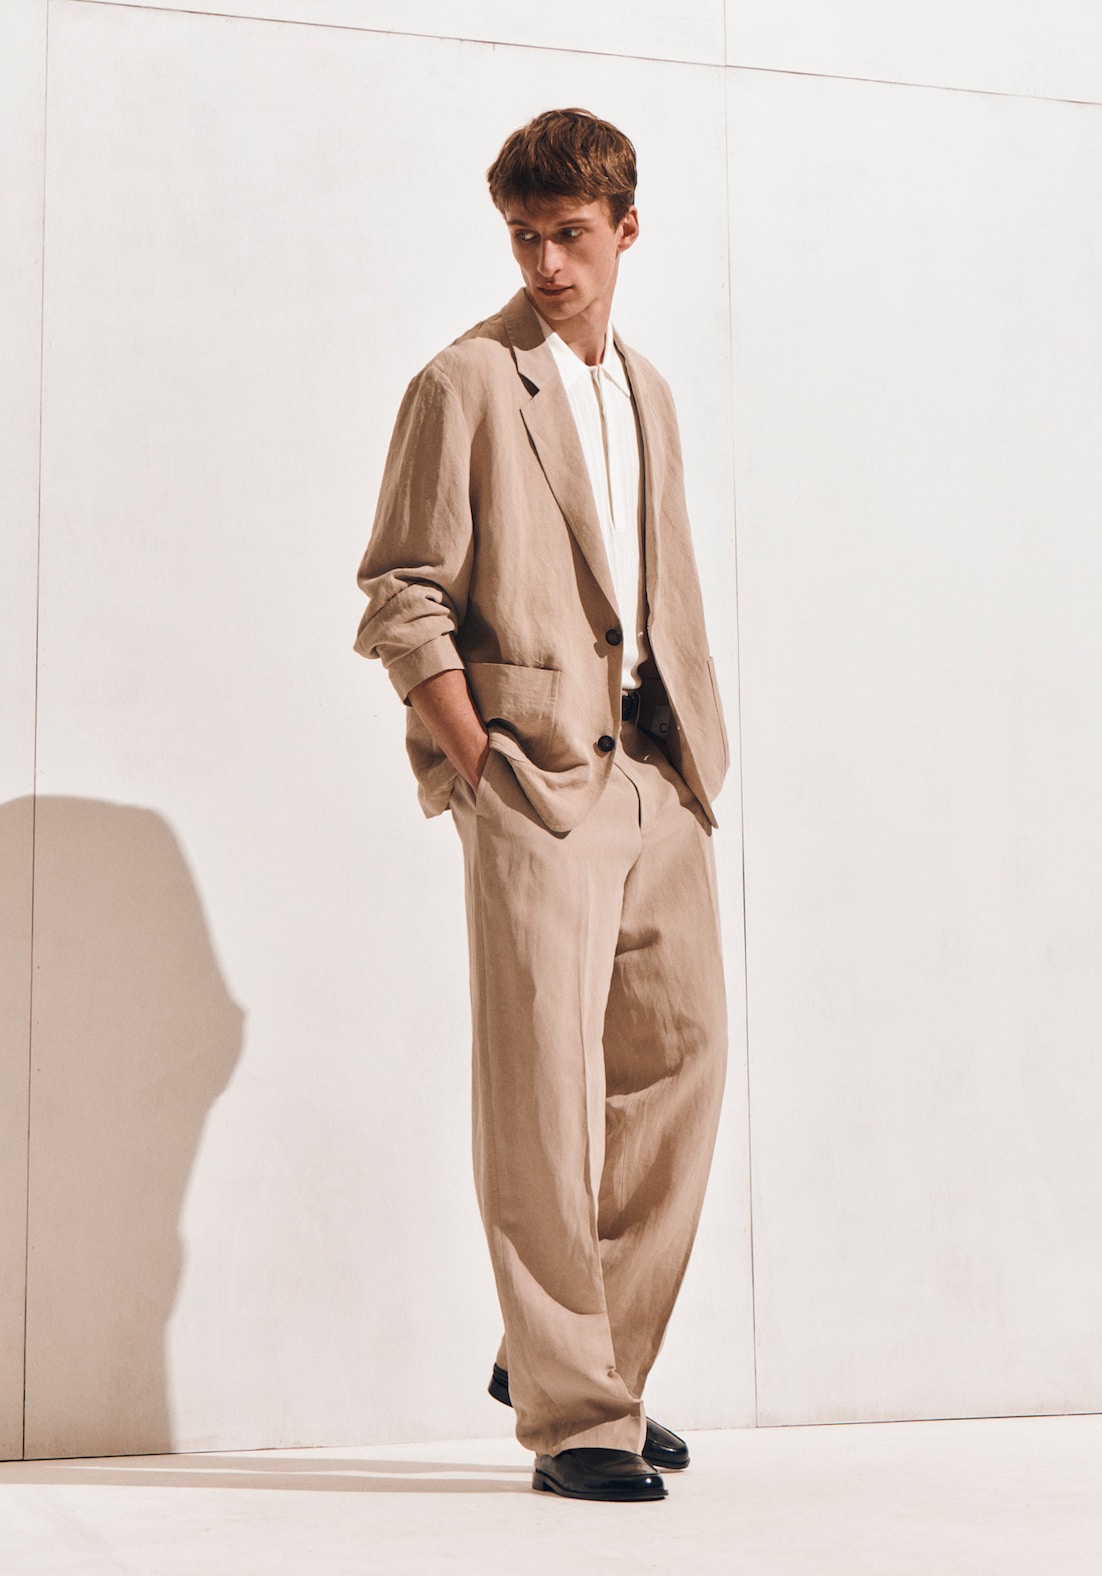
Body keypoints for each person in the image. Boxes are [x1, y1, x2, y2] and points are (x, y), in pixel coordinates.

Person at [355, 108, 729, 1503]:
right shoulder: (463, 383)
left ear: (627, 229)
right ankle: (576, 1413)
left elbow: (658, 581)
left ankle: (589, 1359)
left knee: (681, 1073)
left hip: (656, 772)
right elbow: (402, 592)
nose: (548, 262)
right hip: (530, 779)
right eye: (525, 236)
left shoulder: (649, 391)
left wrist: (691, 757)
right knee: (542, 1097)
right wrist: (476, 762)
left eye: (571, 234)